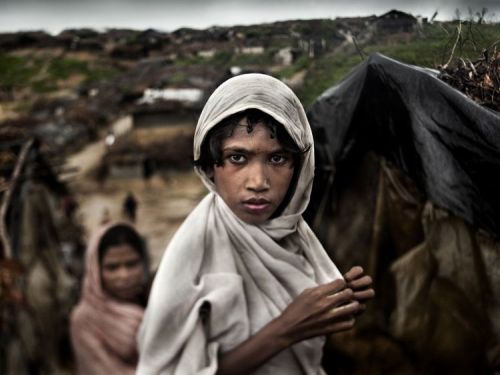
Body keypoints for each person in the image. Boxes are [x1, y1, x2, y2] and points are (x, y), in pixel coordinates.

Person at [137, 73, 374, 374]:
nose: (258, 182)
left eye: (277, 159)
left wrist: (336, 301)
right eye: (237, 158)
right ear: (210, 166)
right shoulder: (195, 250)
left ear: (299, 168)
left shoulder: (293, 233)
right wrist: (285, 329)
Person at [70, 222, 150, 375]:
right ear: (96, 270)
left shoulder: (156, 301)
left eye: (132, 264)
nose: (124, 276)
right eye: (112, 268)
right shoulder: (85, 319)